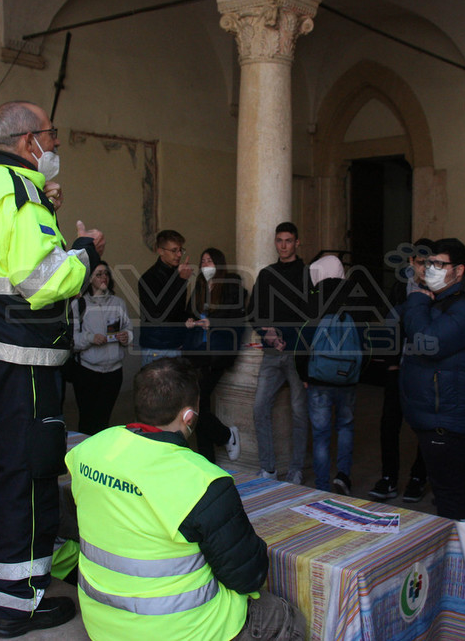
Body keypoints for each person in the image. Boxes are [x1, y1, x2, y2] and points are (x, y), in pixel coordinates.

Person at [0, 100, 103, 637]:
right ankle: (20, 601)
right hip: (22, 361)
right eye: (50, 134)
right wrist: (85, 251)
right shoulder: (22, 193)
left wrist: (47, 214)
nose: (56, 143)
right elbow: (42, 282)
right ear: (26, 141)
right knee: (29, 473)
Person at [66, 358, 304, 641]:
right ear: (189, 416)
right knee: (285, 615)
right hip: (181, 631)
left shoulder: (88, 450)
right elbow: (248, 576)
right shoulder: (203, 480)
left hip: (103, 626)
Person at [398, 238, 465, 520]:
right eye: (428, 263)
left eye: (439, 264)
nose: (431, 269)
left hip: (449, 419)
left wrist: (417, 298)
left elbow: (429, 342)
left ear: (459, 270)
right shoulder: (440, 301)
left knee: (450, 496)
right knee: (446, 493)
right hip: (437, 416)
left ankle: (455, 549)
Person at [295, 255, 369, 494]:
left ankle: (322, 486)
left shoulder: (314, 299)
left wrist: (304, 375)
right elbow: (365, 342)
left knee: (321, 434)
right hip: (348, 378)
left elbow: (302, 342)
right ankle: (343, 477)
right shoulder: (356, 297)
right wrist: (357, 372)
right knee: (345, 426)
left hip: (318, 380)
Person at [370, 239, 431, 503]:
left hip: (426, 367)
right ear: (411, 262)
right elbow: (389, 325)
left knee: (426, 426)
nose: (424, 268)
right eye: (420, 262)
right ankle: (389, 478)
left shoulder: (438, 291)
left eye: (430, 263)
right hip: (400, 365)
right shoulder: (400, 288)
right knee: (389, 423)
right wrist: (391, 363)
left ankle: (419, 477)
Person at [248, 222, 310, 483]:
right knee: (259, 407)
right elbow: (253, 311)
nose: (283, 245)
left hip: (297, 354)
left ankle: (296, 468)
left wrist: (291, 340)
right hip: (272, 352)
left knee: (299, 412)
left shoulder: (307, 274)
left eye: (288, 240)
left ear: (297, 242)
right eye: (279, 240)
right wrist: (267, 334)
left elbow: (311, 315)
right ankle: (268, 468)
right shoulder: (267, 274)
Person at [187, 247, 244, 463]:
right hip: (198, 352)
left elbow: (236, 318)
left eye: (209, 260)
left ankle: (226, 435)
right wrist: (190, 321)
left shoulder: (231, 286)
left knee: (196, 404)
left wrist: (213, 323)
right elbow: (190, 311)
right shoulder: (200, 287)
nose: (205, 265)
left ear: (218, 263)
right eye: (203, 261)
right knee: (201, 405)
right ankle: (207, 459)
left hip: (217, 353)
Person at [71, 260, 132, 435]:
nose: (103, 277)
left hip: (114, 372)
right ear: (89, 279)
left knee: (103, 419)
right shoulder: (79, 304)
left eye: (106, 273)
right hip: (88, 371)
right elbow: (72, 340)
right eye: (98, 274)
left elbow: (128, 328)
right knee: (87, 419)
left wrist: (126, 336)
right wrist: (91, 338)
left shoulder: (118, 303)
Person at [138, 230, 192, 365]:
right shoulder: (149, 278)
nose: (179, 255)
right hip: (157, 345)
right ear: (160, 251)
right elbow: (158, 313)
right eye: (174, 250)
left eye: (180, 250)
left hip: (176, 343)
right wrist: (181, 281)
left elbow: (178, 310)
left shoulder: (177, 274)